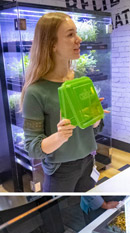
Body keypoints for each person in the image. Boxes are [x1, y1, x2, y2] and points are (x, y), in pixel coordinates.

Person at [22, 12, 107, 192]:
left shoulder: (80, 80)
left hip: (89, 162)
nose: (79, 39)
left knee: (87, 210)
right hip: (60, 171)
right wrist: (60, 136)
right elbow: (32, 148)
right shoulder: (35, 92)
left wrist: (95, 120)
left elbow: (95, 128)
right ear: (52, 44)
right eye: (70, 34)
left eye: (76, 33)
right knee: (66, 218)